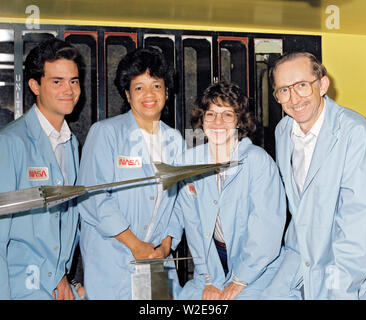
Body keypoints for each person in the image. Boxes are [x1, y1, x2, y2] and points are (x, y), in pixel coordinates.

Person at [77, 47, 184, 299]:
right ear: (127, 94)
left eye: (156, 86)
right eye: (139, 87)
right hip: (113, 258)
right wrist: (135, 245)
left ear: (167, 92)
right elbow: (93, 197)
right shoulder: (105, 133)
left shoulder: (175, 140)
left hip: (157, 260)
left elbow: (179, 200)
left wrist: (167, 243)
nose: (149, 94)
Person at [261, 52, 366, 300]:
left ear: (322, 85)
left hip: (343, 266)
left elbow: (357, 229)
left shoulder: (355, 133)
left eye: (301, 85)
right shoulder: (283, 131)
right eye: (284, 90)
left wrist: (339, 291)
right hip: (299, 256)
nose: (294, 98)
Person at [174, 81, 286, 300]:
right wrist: (209, 279)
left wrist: (239, 280)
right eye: (211, 114)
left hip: (257, 264)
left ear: (239, 121)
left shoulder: (258, 161)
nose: (218, 122)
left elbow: (266, 229)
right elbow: (193, 225)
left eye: (227, 114)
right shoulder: (189, 161)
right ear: (202, 119)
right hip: (210, 261)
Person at [0, 38, 83, 299]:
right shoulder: (11, 142)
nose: (68, 90)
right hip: (18, 286)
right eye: (56, 81)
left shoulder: (71, 144)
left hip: (56, 286)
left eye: (74, 81)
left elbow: (67, 220)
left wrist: (66, 278)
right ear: (35, 85)